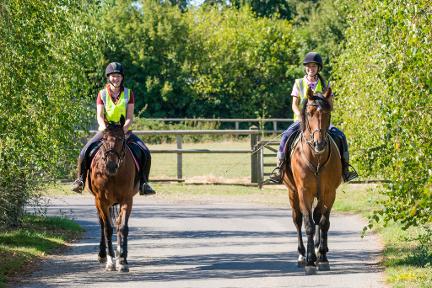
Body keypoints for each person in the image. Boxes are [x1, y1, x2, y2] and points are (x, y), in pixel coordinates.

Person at [269, 52, 358, 183]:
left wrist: (327, 101)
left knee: (341, 136)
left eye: (314, 66)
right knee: (285, 136)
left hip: (321, 123)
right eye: (309, 66)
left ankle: (346, 170)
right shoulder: (298, 83)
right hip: (302, 122)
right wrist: (300, 116)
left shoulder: (325, 85)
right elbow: (294, 105)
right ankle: (279, 169)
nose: (311, 69)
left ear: (318, 68)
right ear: (306, 68)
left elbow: (331, 106)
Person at [71, 62, 156, 195]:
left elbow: (129, 116)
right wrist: (105, 129)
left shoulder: (129, 93)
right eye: (113, 76)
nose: (115, 79)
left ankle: (144, 183)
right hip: (106, 131)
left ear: (122, 78)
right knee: (85, 151)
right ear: (108, 77)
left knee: (145, 151)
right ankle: (80, 180)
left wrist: (123, 129)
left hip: (124, 131)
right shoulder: (102, 94)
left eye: (118, 76)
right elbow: (99, 115)